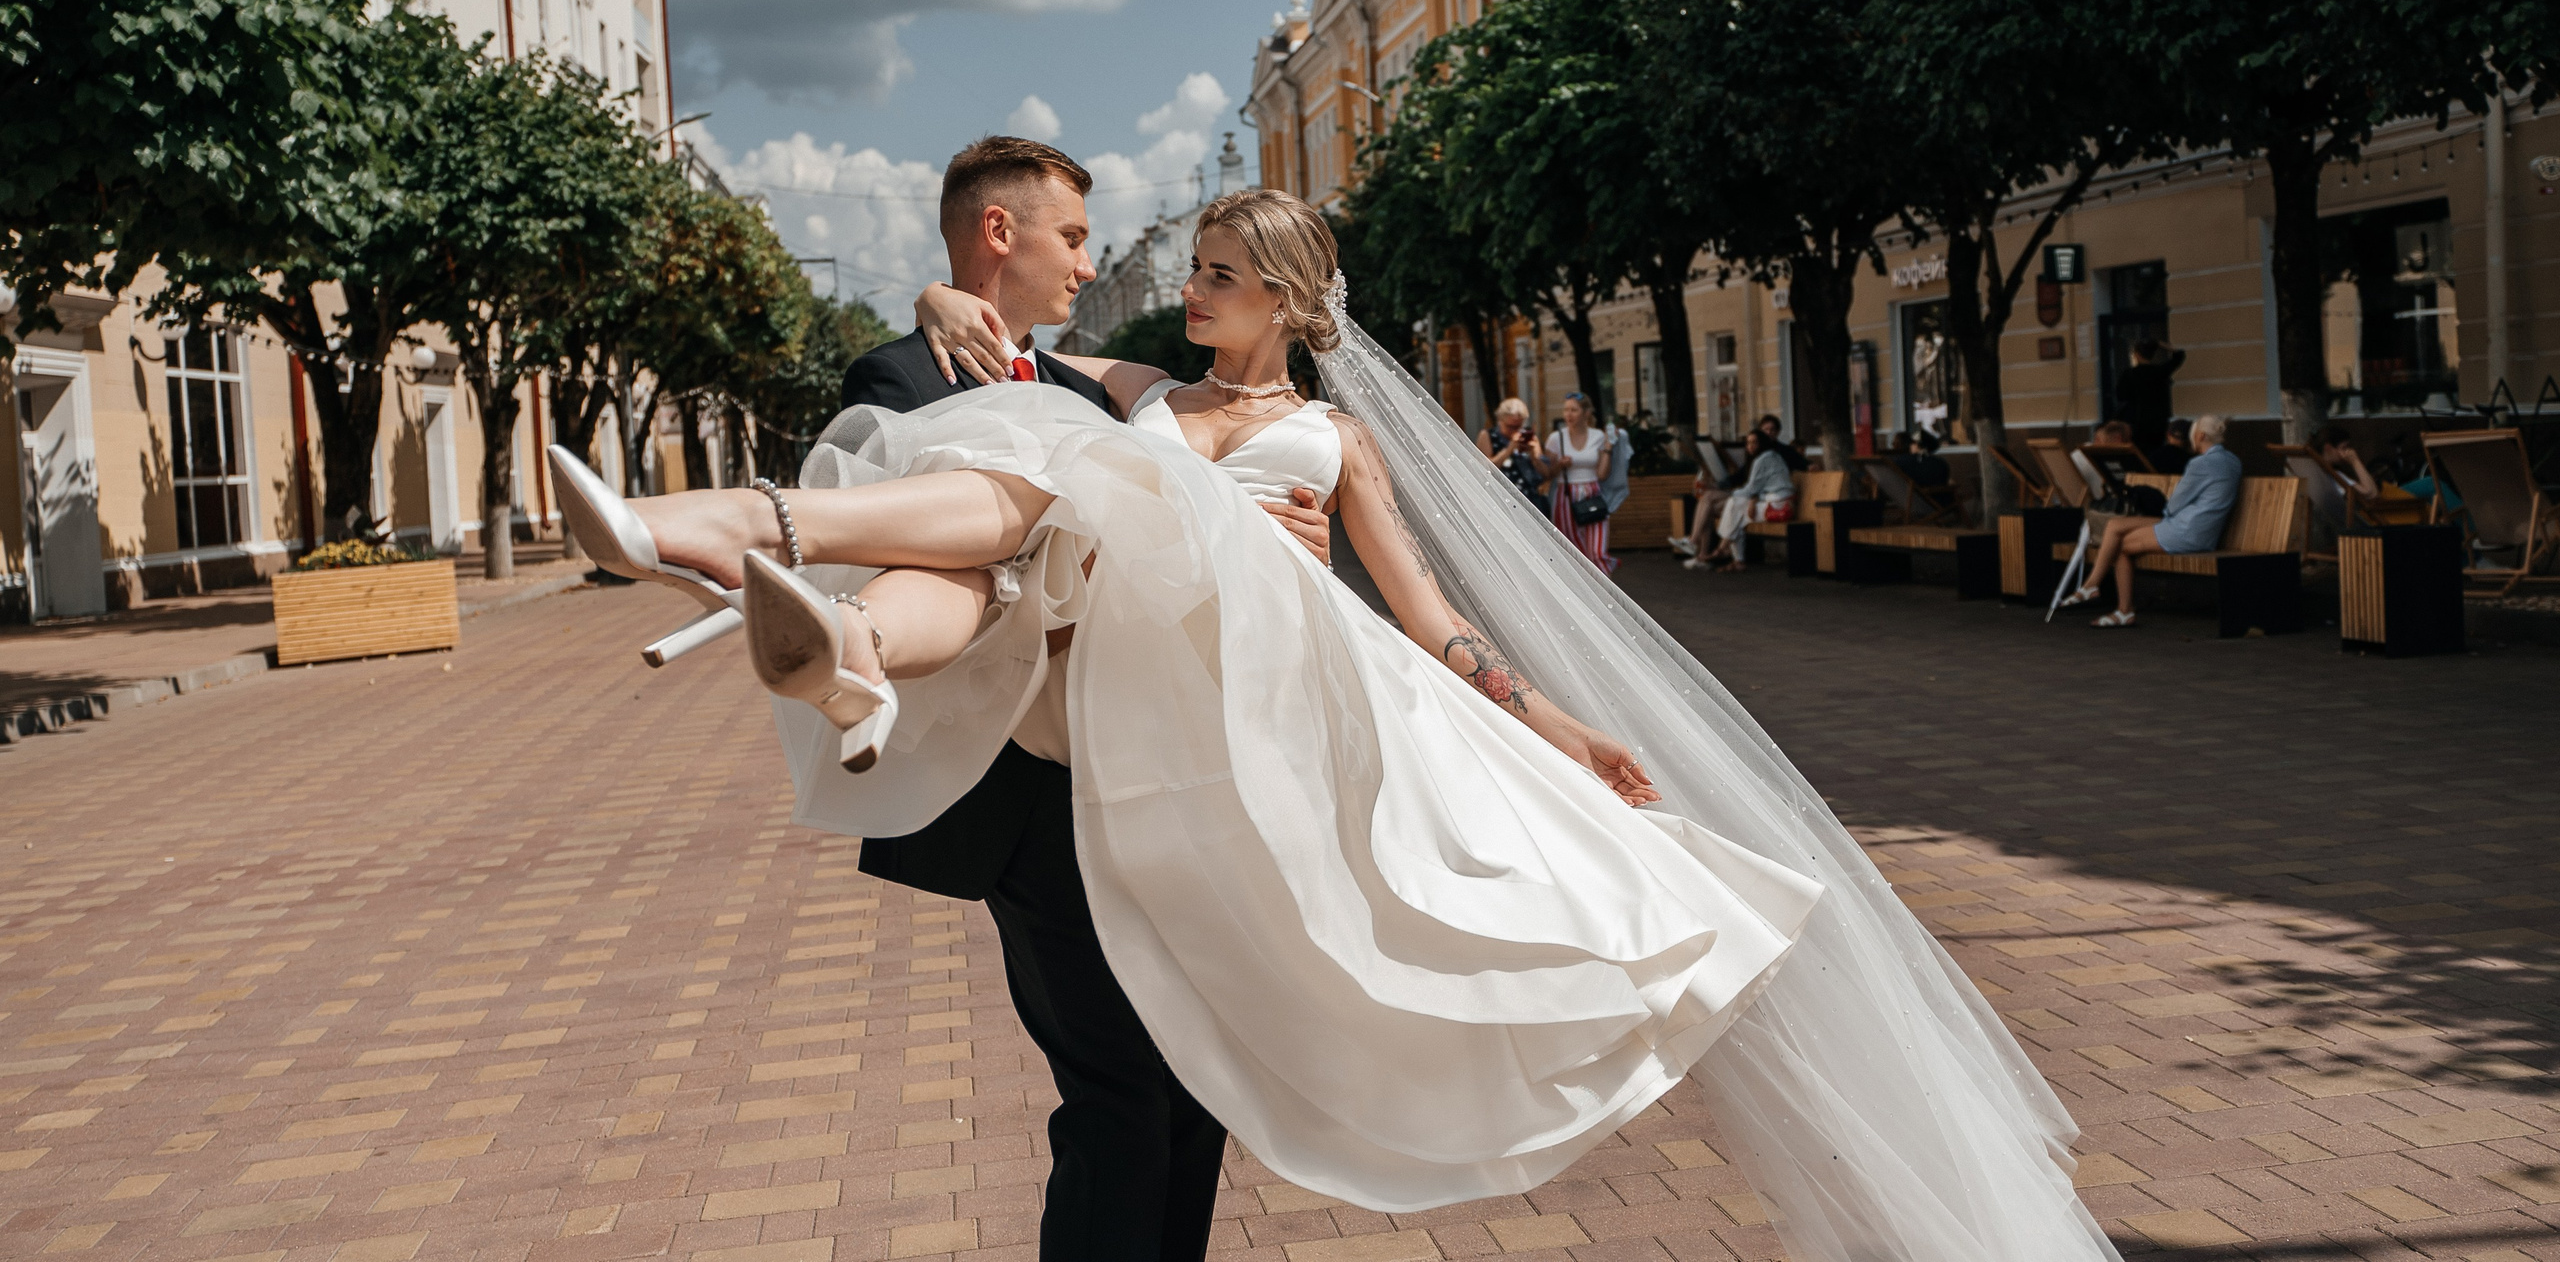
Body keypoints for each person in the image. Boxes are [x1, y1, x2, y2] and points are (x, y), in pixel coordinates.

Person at [555, 184, 2127, 1262]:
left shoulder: (1330, 434)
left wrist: (1559, 724)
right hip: (1105, 675)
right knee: (1043, 482)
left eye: (1224, 275)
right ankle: (830, 634)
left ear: (1292, 302)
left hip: (1252, 710)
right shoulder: (1141, 394)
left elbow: (1430, 612)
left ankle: (737, 535)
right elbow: (1004, 343)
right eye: (1197, 270)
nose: (1193, 291)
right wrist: (930, 287)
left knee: (1057, 491)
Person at [823, 139, 1330, 1256]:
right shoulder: (897, 380)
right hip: (1029, 800)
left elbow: (1194, 483)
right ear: (1001, 234)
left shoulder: (1082, 390)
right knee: (1118, 1094)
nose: (1091, 264)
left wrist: (1290, 533)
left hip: (1163, 780)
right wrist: (933, 304)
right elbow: (931, 553)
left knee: (1196, 1083)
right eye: (1074, 237)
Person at [2062, 412, 2241, 628]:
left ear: (2201, 436)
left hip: (2186, 530)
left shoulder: (2200, 464)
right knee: (2115, 525)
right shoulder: (2233, 462)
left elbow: (2174, 505)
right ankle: (2093, 587)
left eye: (2193, 435)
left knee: (2120, 545)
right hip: (2197, 528)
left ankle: (2122, 608)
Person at [1690, 427, 1797, 572]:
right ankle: (1735, 559)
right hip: (1772, 500)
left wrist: (1736, 494)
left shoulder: (1764, 459)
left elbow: (1752, 488)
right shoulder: (1771, 456)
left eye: (1754, 442)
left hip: (1778, 505)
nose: (1750, 446)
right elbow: (1760, 487)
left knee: (1735, 506)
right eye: (1748, 443)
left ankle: (1723, 549)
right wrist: (1751, 498)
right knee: (1737, 512)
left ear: (1762, 443)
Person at [1539, 391, 1618, 573]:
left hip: (1592, 493)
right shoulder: (1556, 438)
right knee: (1572, 552)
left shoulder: (1597, 436)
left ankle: (1604, 598)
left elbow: (1602, 474)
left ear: (1586, 413)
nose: (1568, 414)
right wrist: (1560, 464)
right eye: (1566, 410)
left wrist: (1608, 447)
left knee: (1597, 552)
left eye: (1574, 410)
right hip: (1565, 495)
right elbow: (1547, 474)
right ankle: (1580, 597)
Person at [2114, 338, 2186, 454]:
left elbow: (2120, 395)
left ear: (2136, 354)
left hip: (2136, 422)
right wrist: (2160, 344)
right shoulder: (2159, 372)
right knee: (2155, 452)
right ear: (2152, 355)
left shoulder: (2129, 374)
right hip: (2158, 422)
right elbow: (2179, 355)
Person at [1477, 396, 1548, 511]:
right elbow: (1483, 467)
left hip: (1529, 498)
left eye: (1518, 426)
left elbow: (1545, 474)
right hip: (1501, 498)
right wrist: (1509, 449)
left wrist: (1534, 455)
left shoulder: (1529, 437)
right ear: (1500, 420)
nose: (1515, 431)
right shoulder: (1488, 436)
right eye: (1510, 427)